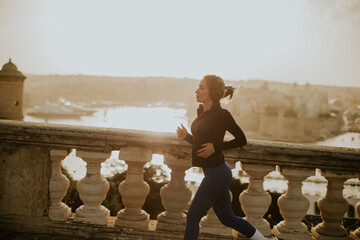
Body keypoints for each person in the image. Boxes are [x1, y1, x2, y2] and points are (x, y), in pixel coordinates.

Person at [176, 75, 278, 240]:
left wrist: (216, 146)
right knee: (227, 218)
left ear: (213, 93)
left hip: (218, 173)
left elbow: (241, 139)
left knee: (193, 216)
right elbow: (201, 142)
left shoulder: (222, 115)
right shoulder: (201, 111)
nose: (196, 91)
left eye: (201, 87)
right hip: (214, 173)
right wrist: (187, 136)